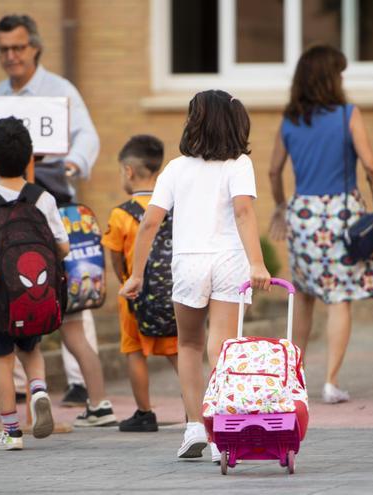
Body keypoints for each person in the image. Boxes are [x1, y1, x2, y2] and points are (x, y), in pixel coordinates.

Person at [120, 90, 271, 461]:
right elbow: (244, 214)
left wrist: (137, 274)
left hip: (187, 263)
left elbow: (149, 223)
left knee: (187, 345)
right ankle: (222, 433)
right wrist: (257, 263)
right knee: (221, 346)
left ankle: (193, 428)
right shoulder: (239, 164)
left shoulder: (175, 168)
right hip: (230, 262)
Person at [0, 118, 115, 450]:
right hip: (33, 295)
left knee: (1, 359)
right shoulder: (43, 199)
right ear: (29, 158)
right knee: (32, 349)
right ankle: (39, 390)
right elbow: (63, 246)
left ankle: (11, 431)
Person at [0, 14, 101, 410]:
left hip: (54, 198)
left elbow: (87, 135)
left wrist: (72, 163)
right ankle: (16, 386)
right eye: (3, 50)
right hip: (9, 205)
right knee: (14, 288)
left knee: (68, 293)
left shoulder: (59, 89)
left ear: (34, 47)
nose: (11, 56)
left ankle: (82, 384)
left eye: (18, 47)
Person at [268, 45, 373, 404]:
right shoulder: (347, 115)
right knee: (339, 300)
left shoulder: (289, 120)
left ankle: (293, 379)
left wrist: (280, 205)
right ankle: (331, 382)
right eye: (339, 73)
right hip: (341, 216)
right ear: (329, 78)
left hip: (303, 215)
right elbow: (370, 164)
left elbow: (273, 170)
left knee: (305, 297)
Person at [102, 135, 178, 432]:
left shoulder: (121, 214)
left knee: (135, 352)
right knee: (177, 352)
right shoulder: (171, 208)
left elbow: (116, 256)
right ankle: (196, 408)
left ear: (129, 171)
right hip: (172, 293)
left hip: (134, 296)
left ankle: (145, 413)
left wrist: (125, 279)